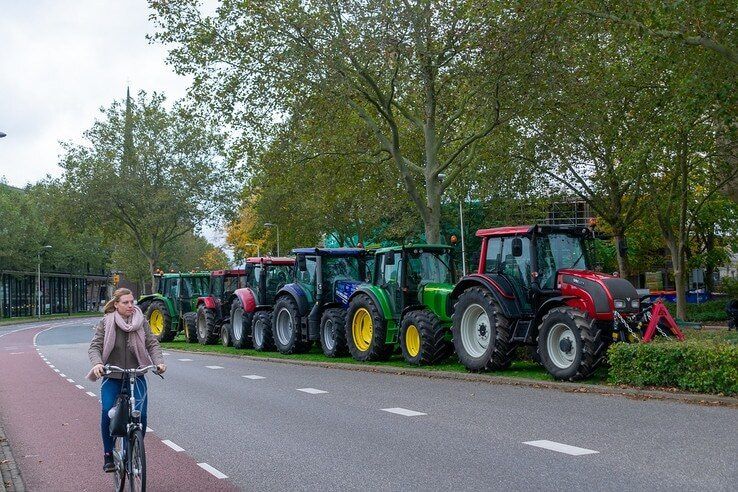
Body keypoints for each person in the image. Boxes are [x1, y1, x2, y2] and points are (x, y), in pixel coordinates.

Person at [87, 288, 166, 473]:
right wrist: (98, 364)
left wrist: (159, 362)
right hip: (112, 376)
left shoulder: (141, 322)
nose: (131, 305)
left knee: (141, 416)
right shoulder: (106, 323)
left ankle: (134, 448)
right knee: (108, 412)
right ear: (116, 304)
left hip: (136, 375)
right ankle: (108, 454)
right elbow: (95, 347)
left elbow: (152, 344)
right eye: (126, 302)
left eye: (132, 302)